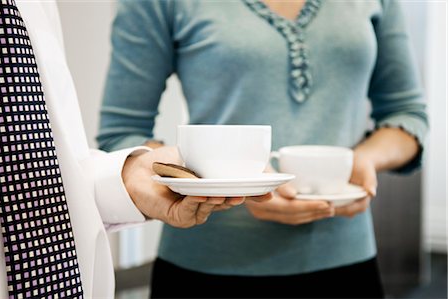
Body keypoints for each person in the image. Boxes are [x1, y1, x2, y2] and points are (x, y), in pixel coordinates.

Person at [98, 0, 428, 298]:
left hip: (348, 261)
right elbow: (122, 135)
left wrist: (360, 160)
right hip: (209, 264)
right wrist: (223, 181)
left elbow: (408, 115)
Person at [0, 1, 260, 298]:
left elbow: (33, 170)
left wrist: (128, 179)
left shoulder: (33, 6)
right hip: (207, 262)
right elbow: (120, 127)